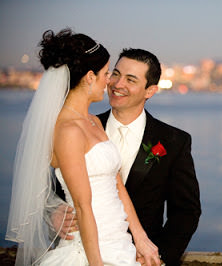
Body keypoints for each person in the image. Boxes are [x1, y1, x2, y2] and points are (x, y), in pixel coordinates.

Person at [6, 28, 160, 266]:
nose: (110, 81)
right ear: (90, 77)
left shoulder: (94, 121)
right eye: (107, 73)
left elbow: (116, 183)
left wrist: (139, 237)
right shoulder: (68, 131)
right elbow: (82, 205)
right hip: (90, 248)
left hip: (119, 241)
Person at [58, 48, 202, 265]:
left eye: (130, 79)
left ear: (150, 91)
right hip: (79, 250)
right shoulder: (81, 128)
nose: (117, 84)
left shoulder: (174, 141)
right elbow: (53, 186)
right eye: (115, 74)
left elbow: (186, 211)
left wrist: (158, 258)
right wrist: (53, 212)